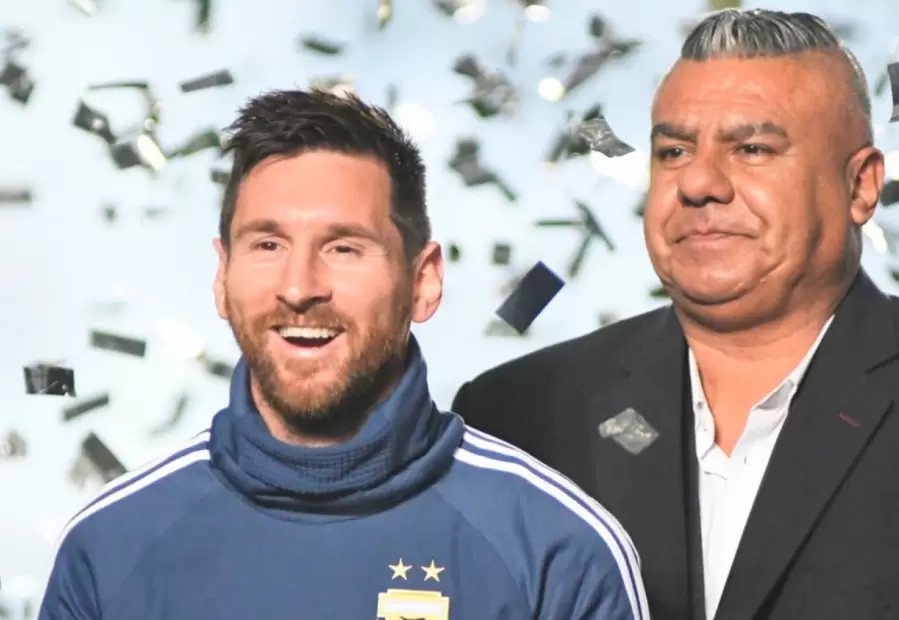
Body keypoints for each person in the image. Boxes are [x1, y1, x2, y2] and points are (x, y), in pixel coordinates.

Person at [37, 89, 649, 620]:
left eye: (344, 248)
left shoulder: (557, 548)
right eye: (268, 244)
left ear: (423, 282)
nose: (299, 287)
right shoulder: (109, 545)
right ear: (222, 277)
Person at [452, 8, 899, 620]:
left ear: (861, 186)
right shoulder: (511, 417)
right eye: (675, 150)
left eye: (753, 149)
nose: (699, 182)